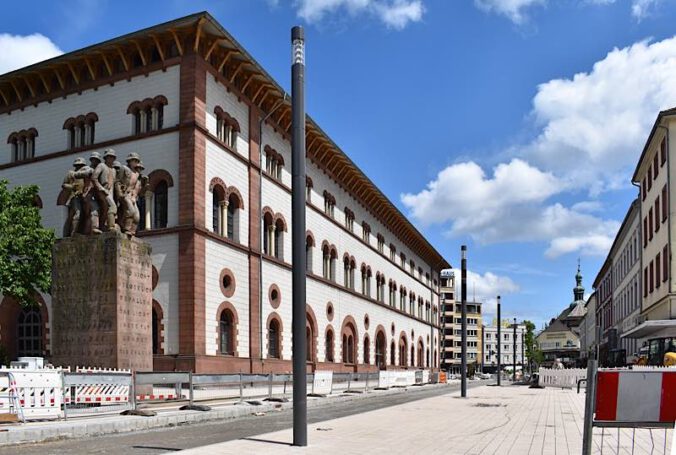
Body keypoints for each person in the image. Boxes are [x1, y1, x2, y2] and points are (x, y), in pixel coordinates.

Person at [92, 148, 118, 232]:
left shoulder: (113, 170)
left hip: (110, 191)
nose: (111, 159)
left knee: (106, 209)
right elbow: (94, 178)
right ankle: (111, 227)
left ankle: (103, 226)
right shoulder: (101, 166)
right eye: (109, 157)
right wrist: (101, 188)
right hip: (102, 190)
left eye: (112, 157)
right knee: (112, 206)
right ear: (105, 158)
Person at [61, 157, 87, 236]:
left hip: (82, 196)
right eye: (78, 165)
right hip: (74, 197)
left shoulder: (84, 174)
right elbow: (64, 185)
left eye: (81, 165)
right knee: (76, 214)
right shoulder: (71, 173)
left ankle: (79, 231)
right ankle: (73, 233)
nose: (79, 167)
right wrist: (72, 187)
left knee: (83, 215)